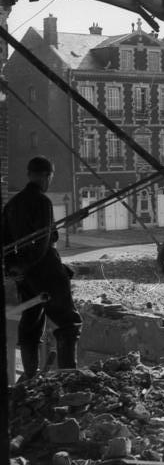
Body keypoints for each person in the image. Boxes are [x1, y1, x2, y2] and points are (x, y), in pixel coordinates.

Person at [3, 156, 82, 379]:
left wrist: (14, 269)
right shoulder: (42, 201)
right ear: (46, 176)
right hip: (46, 271)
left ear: (29, 174)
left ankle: (29, 378)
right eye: (49, 178)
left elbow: (5, 244)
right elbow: (44, 244)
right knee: (69, 323)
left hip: (25, 277)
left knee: (31, 324)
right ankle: (69, 379)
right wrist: (29, 263)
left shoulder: (11, 205)